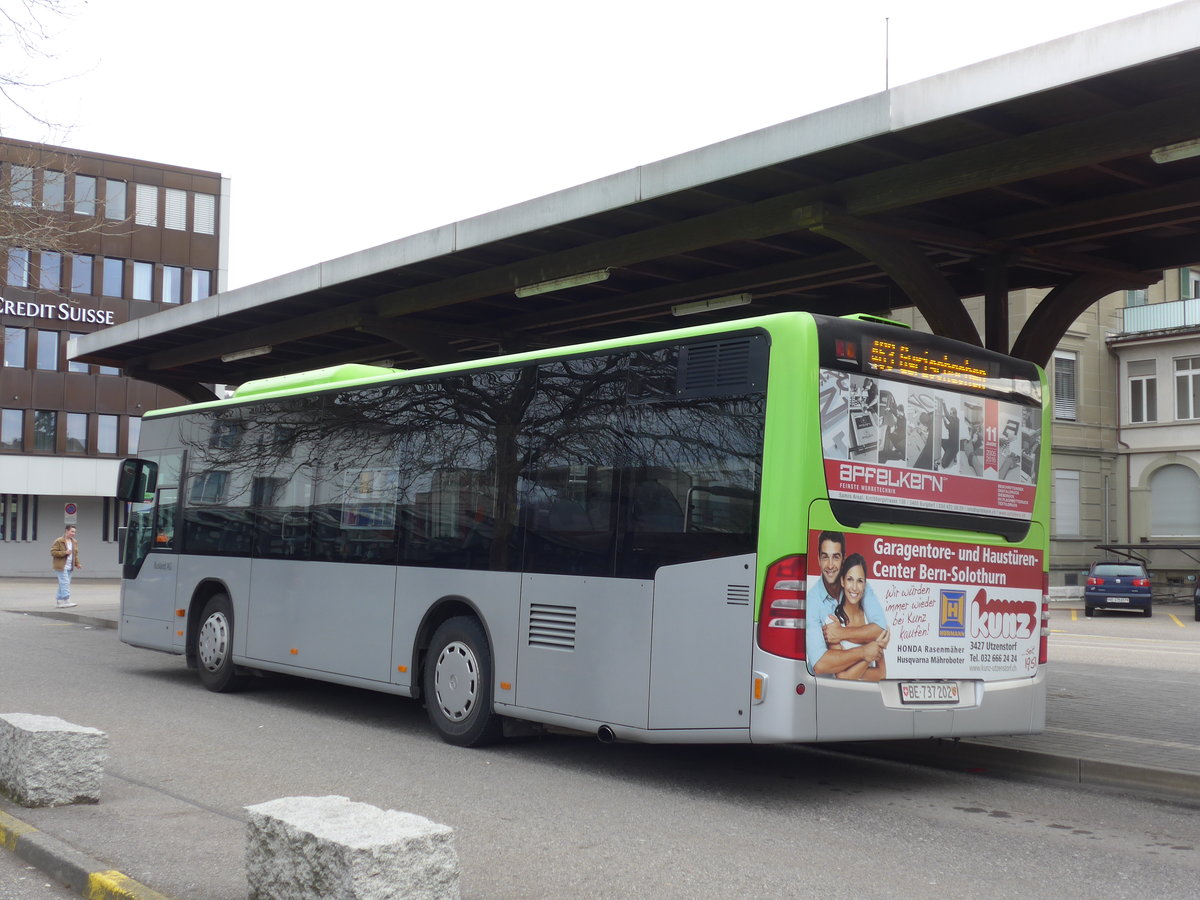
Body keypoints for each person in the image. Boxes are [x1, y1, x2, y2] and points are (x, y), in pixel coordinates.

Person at [807, 532, 889, 673]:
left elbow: (880, 629)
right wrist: (864, 652)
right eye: (825, 557)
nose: (830, 565)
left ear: (844, 559)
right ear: (818, 559)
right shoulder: (812, 602)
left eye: (836, 557)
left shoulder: (856, 585)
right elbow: (820, 664)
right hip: (822, 686)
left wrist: (841, 633)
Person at [50, 524, 82, 609]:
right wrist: (65, 552)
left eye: (74, 532)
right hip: (61, 566)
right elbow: (53, 552)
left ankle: (59, 601)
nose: (73, 533)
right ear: (66, 531)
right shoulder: (59, 541)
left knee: (62, 583)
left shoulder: (74, 541)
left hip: (69, 566)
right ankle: (66, 600)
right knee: (65, 582)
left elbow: (75, 554)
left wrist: (77, 564)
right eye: (72, 531)